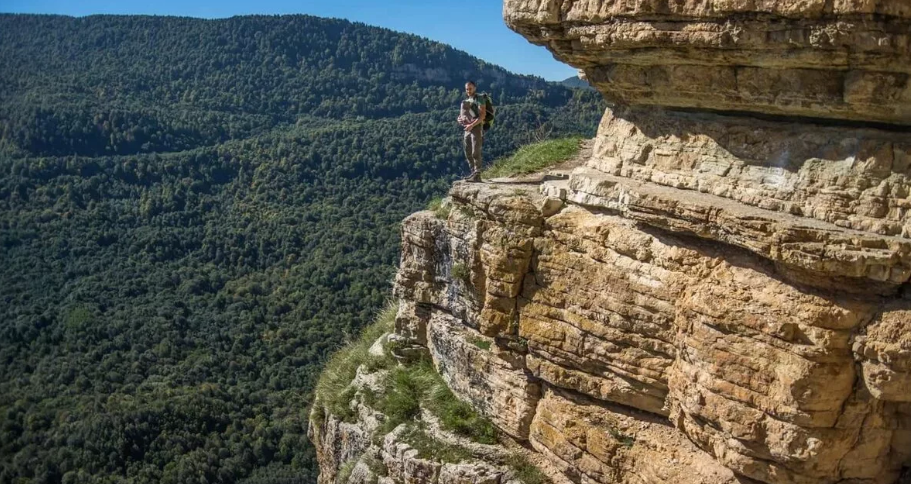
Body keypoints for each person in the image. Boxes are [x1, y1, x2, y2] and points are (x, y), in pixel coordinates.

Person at [459, 81, 486, 182]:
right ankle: (472, 173)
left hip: (476, 127)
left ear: (475, 88)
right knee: (467, 151)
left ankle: (477, 174)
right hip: (468, 128)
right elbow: (462, 115)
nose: (468, 91)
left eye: (470, 88)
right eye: (466, 89)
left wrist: (472, 125)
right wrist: (459, 119)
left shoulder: (480, 98)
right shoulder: (466, 101)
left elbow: (482, 115)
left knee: (476, 151)